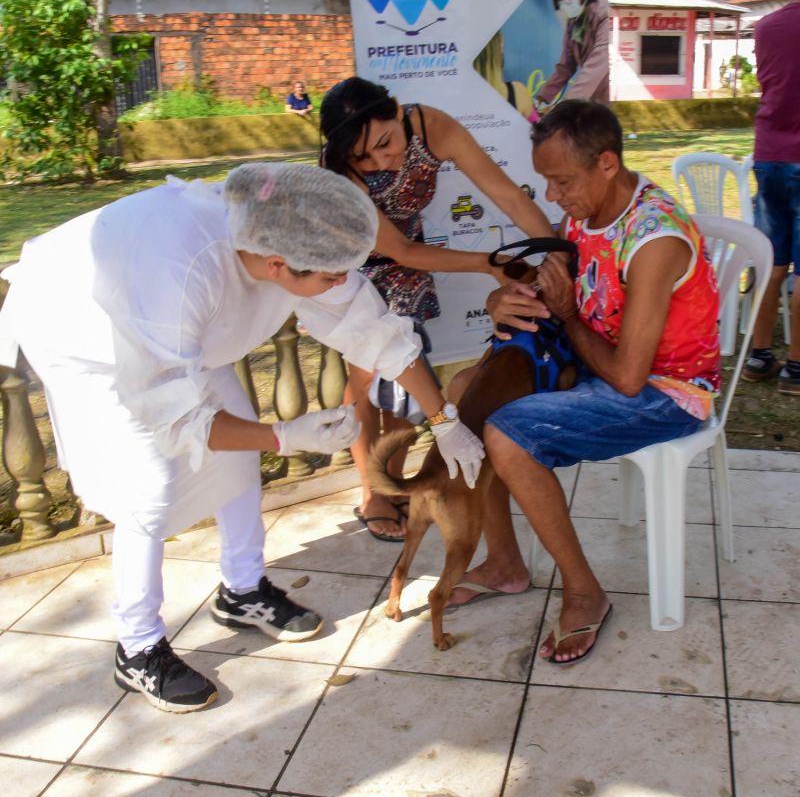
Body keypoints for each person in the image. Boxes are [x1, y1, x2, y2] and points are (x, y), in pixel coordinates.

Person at [0, 163, 484, 713]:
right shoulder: (176, 271)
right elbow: (180, 419)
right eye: (331, 276)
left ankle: (242, 590)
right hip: (90, 335)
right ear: (278, 265)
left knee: (235, 467)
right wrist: (284, 434)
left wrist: (444, 421)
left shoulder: (286, 231)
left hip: (186, 336)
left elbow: (374, 331)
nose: (341, 283)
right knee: (150, 490)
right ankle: (136, 647)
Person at [448, 99, 720, 665]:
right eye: (546, 180)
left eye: (561, 180)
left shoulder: (656, 238)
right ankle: (504, 563)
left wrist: (568, 315)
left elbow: (627, 378)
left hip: (668, 392)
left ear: (606, 164)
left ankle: (585, 593)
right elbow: (564, 294)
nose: (552, 196)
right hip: (593, 362)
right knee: (460, 397)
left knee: (508, 436)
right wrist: (507, 301)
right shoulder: (589, 212)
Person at [319, 76, 553, 542]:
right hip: (351, 267)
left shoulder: (432, 127)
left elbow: (506, 194)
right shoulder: (340, 171)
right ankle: (373, 492)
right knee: (364, 376)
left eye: (386, 142)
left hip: (407, 267)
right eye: (365, 157)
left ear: (398, 110)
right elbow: (400, 249)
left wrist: (555, 250)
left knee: (406, 373)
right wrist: (490, 264)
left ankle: (394, 480)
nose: (383, 160)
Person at [741, 0, 800, 395]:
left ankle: (759, 355)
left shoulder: (764, 29)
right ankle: (796, 369)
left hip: (768, 153)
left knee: (772, 260)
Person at [534, 0, 609, 110]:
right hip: (592, 99)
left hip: (609, 98)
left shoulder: (605, 16)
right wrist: (540, 99)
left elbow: (596, 65)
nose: (564, 1)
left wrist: (566, 105)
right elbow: (566, 66)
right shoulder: (573, 21)